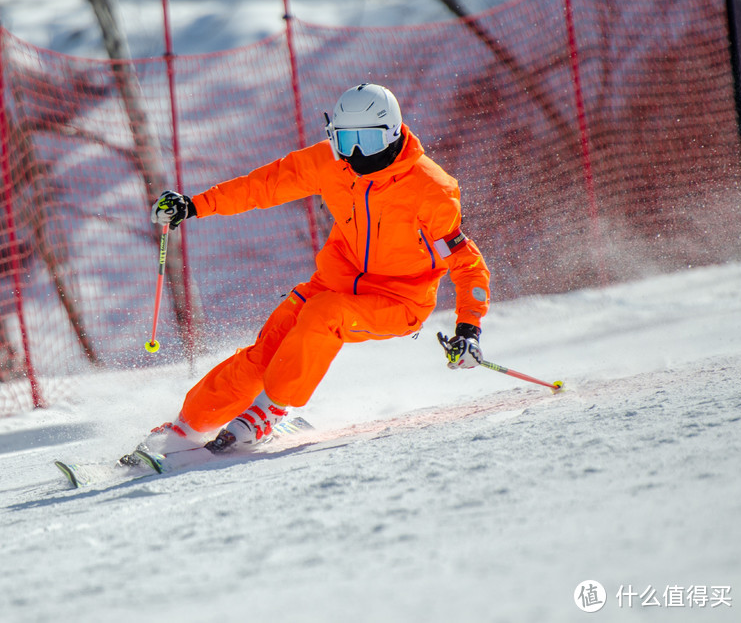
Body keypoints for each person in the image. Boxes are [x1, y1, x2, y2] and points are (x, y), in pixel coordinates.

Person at [139, 83, 490, 455]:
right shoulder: (330, 163)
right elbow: (265, 184)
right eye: (345, 140)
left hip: (399, 301)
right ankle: (187, 427)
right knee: (266, 352)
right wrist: (195, 205)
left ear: (392, 134)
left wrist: (469, 328)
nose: (355, 154)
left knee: (325, 314)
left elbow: (467, 264)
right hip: (334, 282)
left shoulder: (430, 188)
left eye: (366, 142)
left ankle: (272, 409)